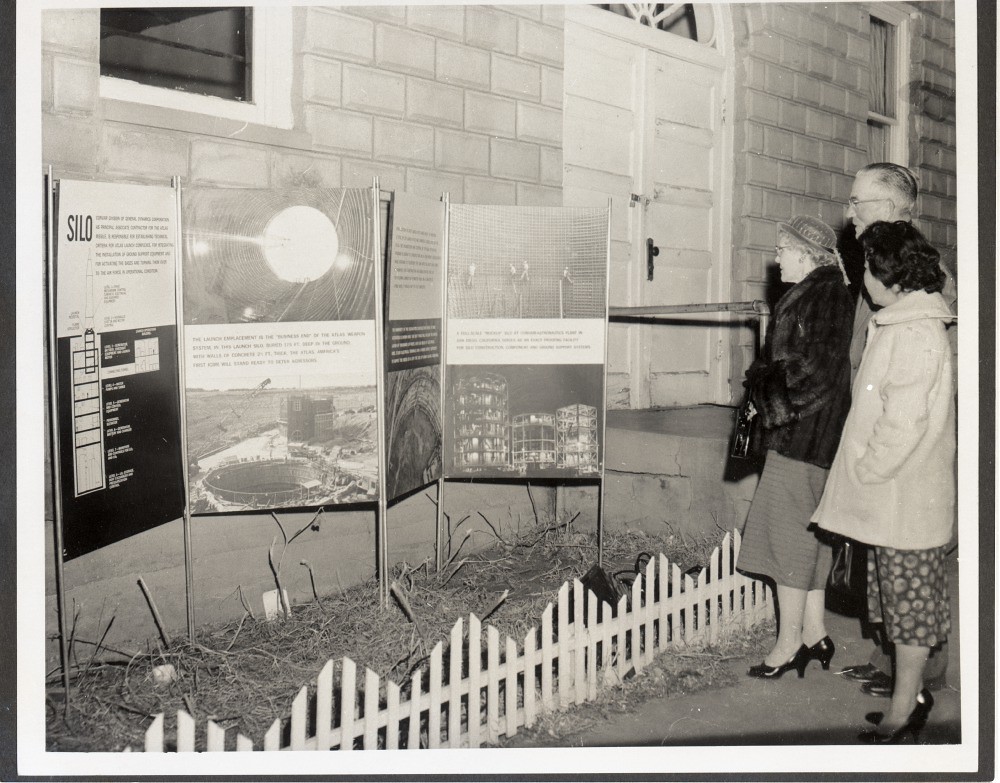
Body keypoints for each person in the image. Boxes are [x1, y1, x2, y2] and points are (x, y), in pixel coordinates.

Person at [813, 220, 955, 742]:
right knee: (896, 602)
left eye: (867, 267)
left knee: (910, 607)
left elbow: (904, 422)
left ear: (888, 273)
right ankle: (909, 697)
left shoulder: (915, 332)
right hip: (893, 496)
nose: (862, 278)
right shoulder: (901, 320)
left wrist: (867, 470)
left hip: (903, 495)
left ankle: (902, 714)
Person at [835, 162, 954, 697]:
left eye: (858, 202)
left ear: (886, 208)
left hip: (914, 455)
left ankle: (918, 682)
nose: (849, 212)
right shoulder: (877, 264)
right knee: (887, 568)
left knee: (913, 573)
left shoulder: (921, 278)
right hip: (879, 433)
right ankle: (892, 665)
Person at [735, 216, 853, 678]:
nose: (777, 258)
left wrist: (769, 397)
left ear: (804, 254)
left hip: (803, 437)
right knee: (811, 535)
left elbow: (817, 374)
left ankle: (786, 647)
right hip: (815, 435)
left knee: (787, 540)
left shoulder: (821, 294)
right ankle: (814, 632)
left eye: (783, 250)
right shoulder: (825, 289)